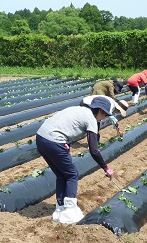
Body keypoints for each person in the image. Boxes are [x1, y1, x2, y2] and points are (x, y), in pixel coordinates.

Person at [35, 96, 116, 224]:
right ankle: (70, 211)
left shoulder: (80, 110)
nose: (104, 117)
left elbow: (66, 125)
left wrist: (65, 142)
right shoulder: (91, 120)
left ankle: (60, 209)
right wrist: (106, 167)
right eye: (105, 114)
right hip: (54, 140)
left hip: (41, 138)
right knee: (72, 175)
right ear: (100, 111)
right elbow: (94, 150)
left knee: (62, 175)